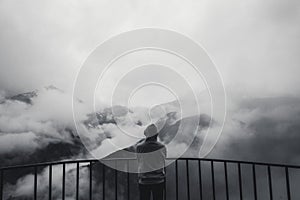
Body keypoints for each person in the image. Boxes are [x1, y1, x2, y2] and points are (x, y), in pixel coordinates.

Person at [137, 124, 167, 200]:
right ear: (156, 135)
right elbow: (163, 160)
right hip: (158, 180)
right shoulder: (162, 147)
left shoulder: (139, 147)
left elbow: (139, 160)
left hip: (144, 180)